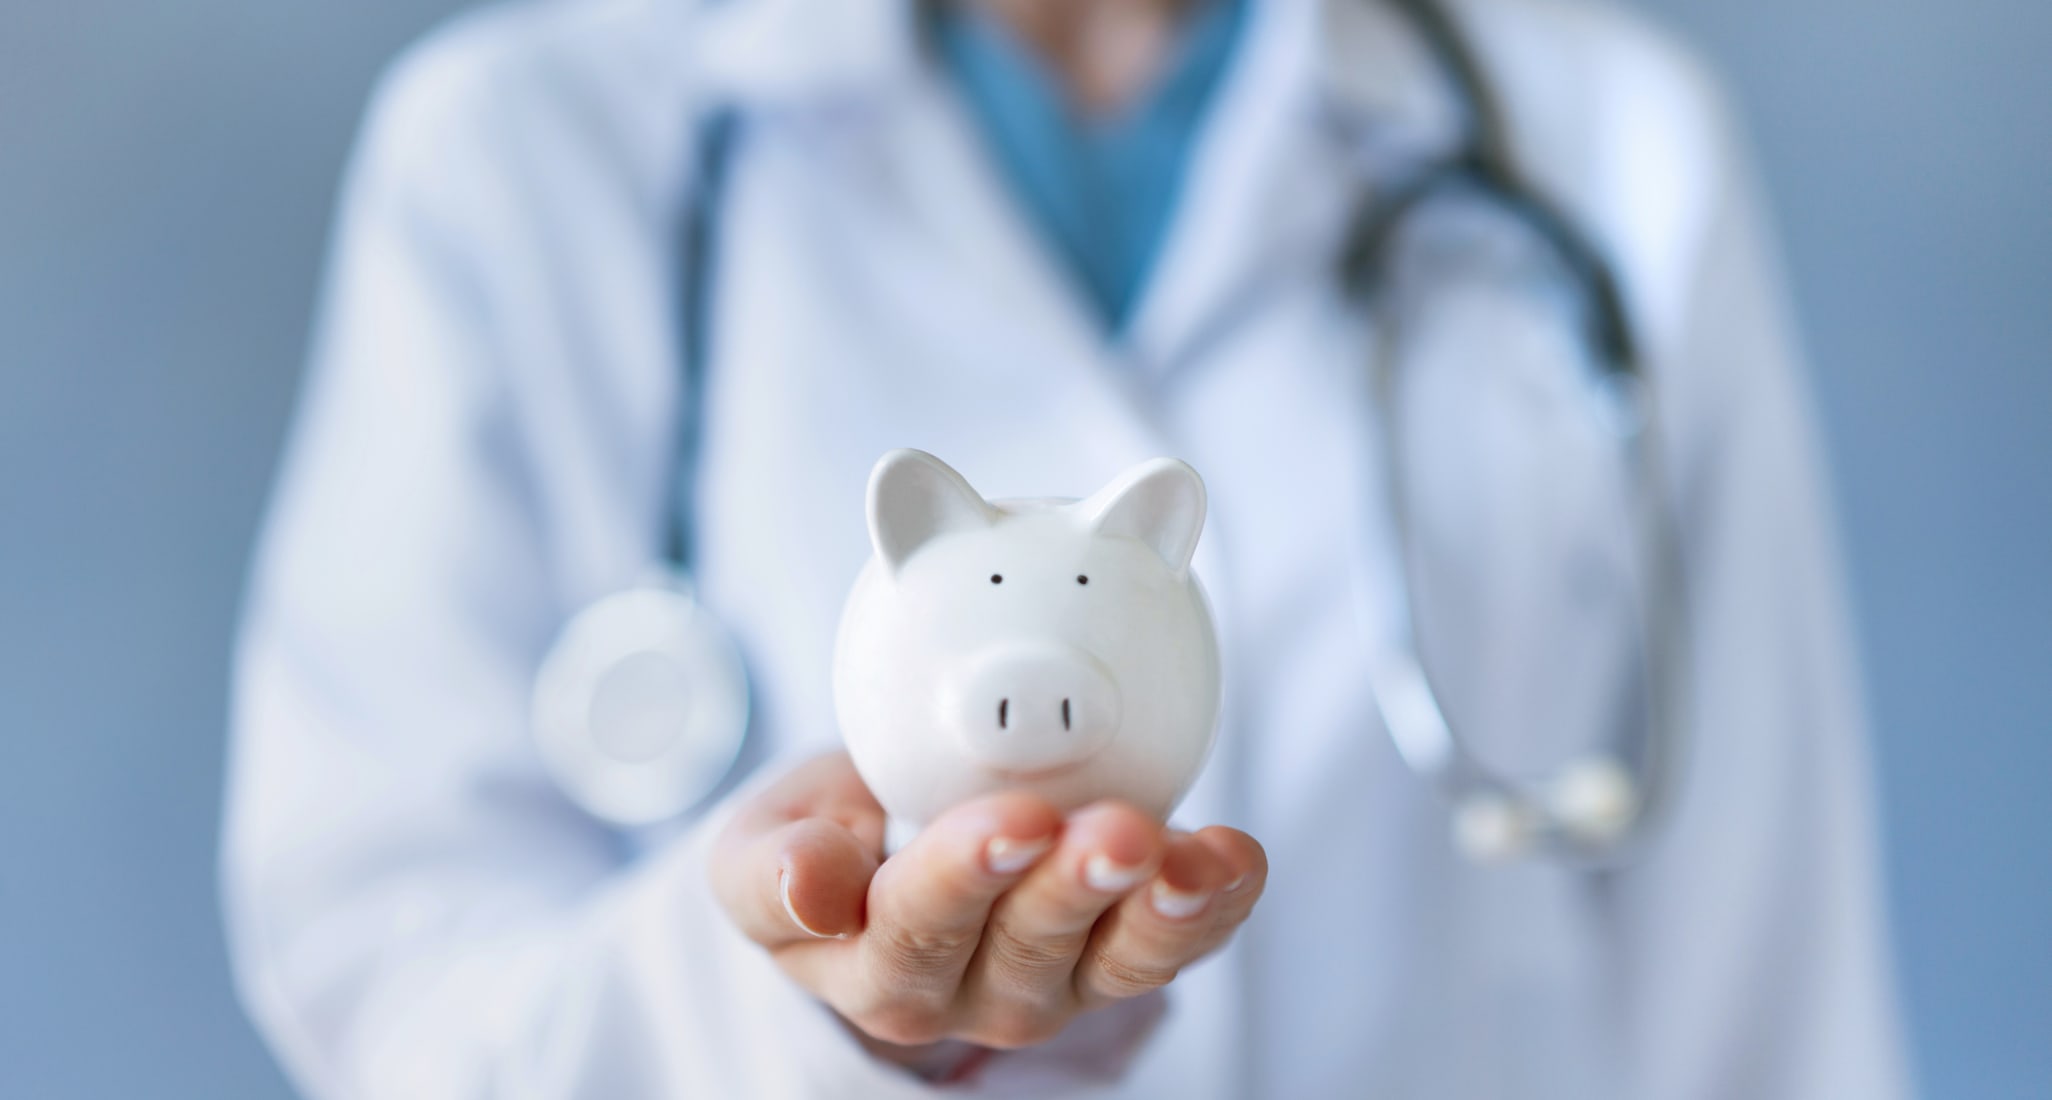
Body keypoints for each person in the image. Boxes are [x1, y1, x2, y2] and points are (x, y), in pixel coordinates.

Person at [222, 0, 1912, 1095]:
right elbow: (390, 973)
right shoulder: (522, 150)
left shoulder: (1605, 145)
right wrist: (777, 1004)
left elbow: (1766, 972)